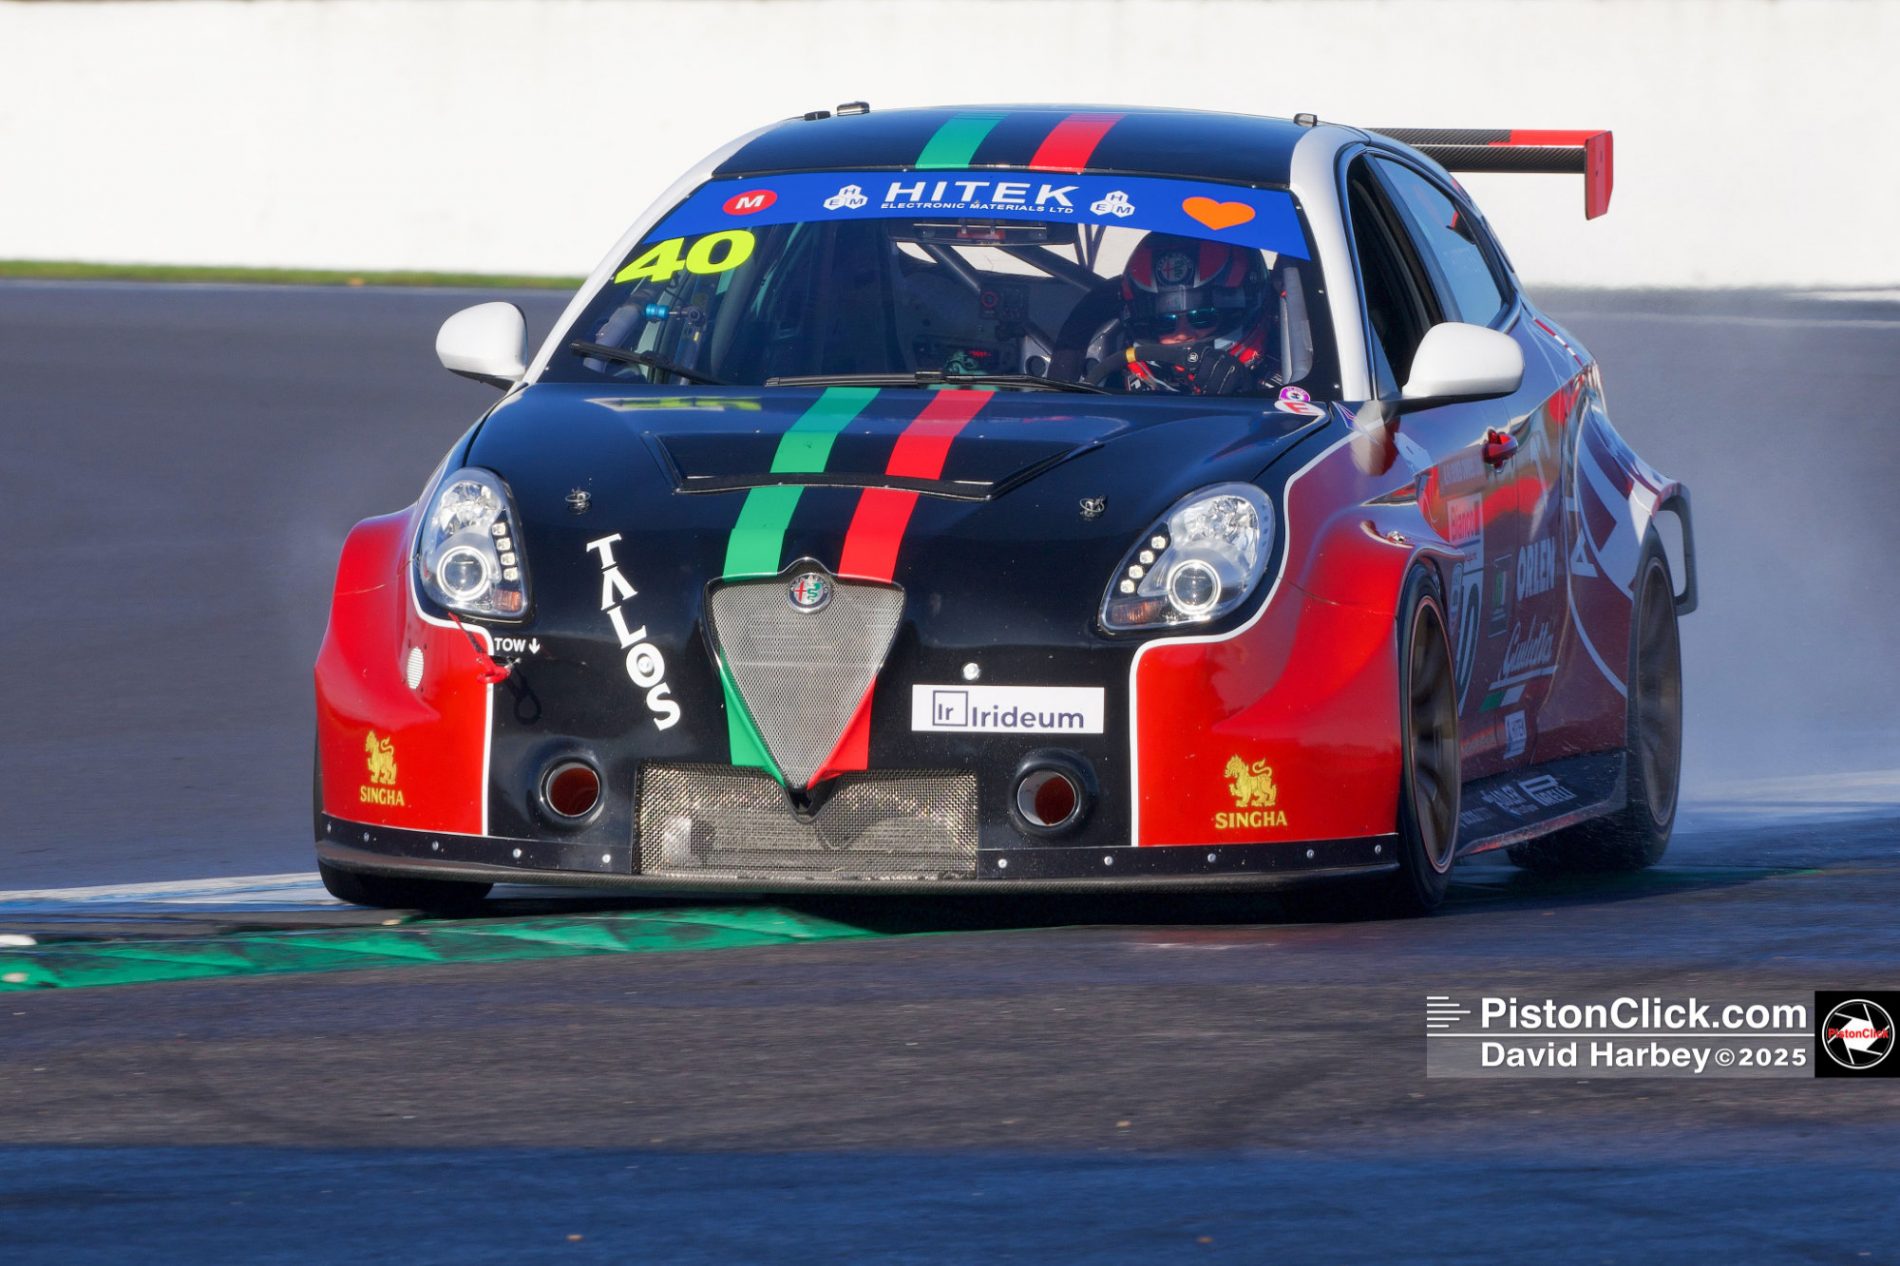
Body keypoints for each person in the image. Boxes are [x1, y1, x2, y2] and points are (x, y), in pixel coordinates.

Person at [1116, 232, 1278, 394]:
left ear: (1233, 316)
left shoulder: (1289, 373)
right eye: (1164, 322)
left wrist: (1247, 393)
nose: (1183, 334)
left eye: (1201, 317)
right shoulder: (1116, 378)